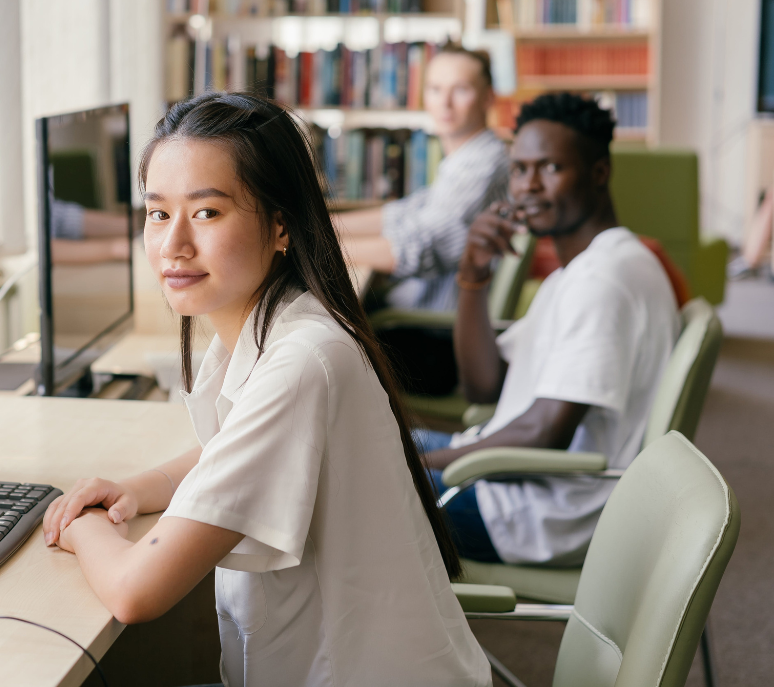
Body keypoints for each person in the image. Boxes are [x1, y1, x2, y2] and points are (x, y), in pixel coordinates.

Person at [41, 92, 490, 686]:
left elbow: (134, 592)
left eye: (206, 213)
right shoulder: (273, 326)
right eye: (157, 213)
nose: (173, 243)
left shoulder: (303, 360)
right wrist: (136, 489)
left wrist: (77, 524)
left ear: (281, 226)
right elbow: (236, 450)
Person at [417, 93, 681, 567]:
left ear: (599, 173)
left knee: (344, 482)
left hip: (541, 511)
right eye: (519, 169)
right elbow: (484, 385)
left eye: (550, 168)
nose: (527, 187)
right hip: (516, 482)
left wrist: (421, 467)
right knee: (353, 445)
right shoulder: (577, 271)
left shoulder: (603, 279)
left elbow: (545, 432)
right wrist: (473, 277)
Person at [335, 44, 509, 314]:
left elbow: (419, 246)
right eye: (435, 89)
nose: (444, 102)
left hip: (433, 326)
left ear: (488, 98)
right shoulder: (464, 158)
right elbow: (406, 213)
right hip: (418, 309)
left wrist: (315, 248)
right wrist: (323, 226)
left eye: (461, 90)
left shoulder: (483, 163)